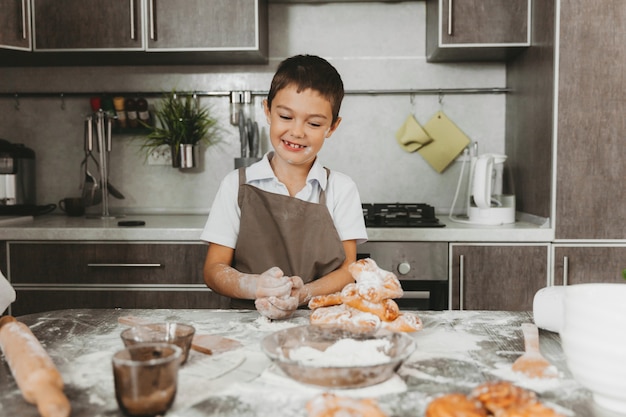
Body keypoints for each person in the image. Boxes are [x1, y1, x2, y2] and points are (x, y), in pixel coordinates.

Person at [201, 54, 367, 320]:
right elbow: (214, 269)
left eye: (313, 123)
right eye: (286, 116)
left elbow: (350, 268)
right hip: (248, 326)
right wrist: (256, 286)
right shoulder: (237, 185)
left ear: (332, 127)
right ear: (267, 111)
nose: (297, 132)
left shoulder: (341, 188)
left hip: (322, 323)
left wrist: (303, 293)